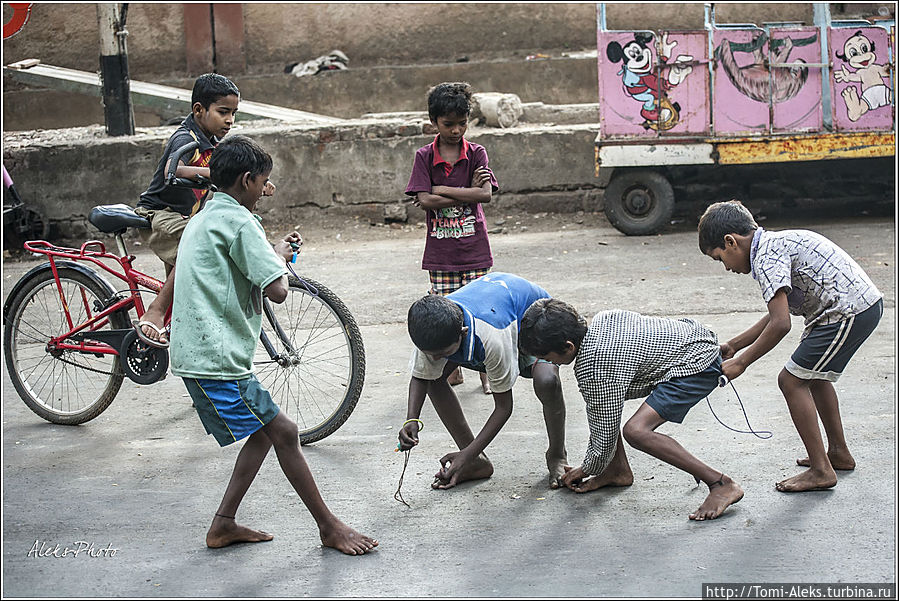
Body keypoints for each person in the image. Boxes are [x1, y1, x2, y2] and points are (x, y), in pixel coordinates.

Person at [169, 135, 377, 555]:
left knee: (266, 433)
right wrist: (278, 257)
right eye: (264, 182)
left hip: (203, 352)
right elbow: (279, 290)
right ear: (247, 180)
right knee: (284, 431)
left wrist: (271, 251)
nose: (265, 191)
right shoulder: (243, 222)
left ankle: (223, 524)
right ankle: (329, 526)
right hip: (216, 359)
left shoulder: (206, 214)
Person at [698, 200, 883, 493]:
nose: (726, 268)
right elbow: (775, 314)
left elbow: (781, 324)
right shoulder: (773, 245)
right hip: (852, 308)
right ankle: (837, 454)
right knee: (814, 378)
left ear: (730, 242)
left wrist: (742, 362)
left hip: (848, 311)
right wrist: (734, 345)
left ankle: (822, 471)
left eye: (720, 259)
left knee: (791, 380)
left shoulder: (766, 258)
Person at [519, 298, 744, 521]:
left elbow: (604, 438)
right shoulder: (603, 319)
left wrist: (586, 468)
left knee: (636, 431)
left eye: (548, 358)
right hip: (696, 341)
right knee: (604, 407)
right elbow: (603, 414)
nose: (551, 364)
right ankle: (617, 470)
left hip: (695, 366)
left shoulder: (594, 364)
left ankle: (720, 483)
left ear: (568, 347)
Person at [133, 73, 273, 347]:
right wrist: (216, 173)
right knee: (194, 242)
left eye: (233, 113)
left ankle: (178, 327)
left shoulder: (214, 143)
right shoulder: (185, 139)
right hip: (159, 215)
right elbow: (174, 170)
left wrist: (257, 181)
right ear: (199, 109)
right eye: (223, 112)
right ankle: (156, 311)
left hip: (186, 217)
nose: (230, 120)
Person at [397, 272, 568, 489]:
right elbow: (422, 375)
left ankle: (557, 455)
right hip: (494, 310)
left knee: (547, 381)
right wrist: (411, 419)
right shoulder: (430, 329)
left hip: (530, 321)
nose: (434, 358)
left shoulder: (492, 336)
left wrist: (465, 455)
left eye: (442, 353)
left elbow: (504, 407)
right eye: (429, 353)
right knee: (434, 378)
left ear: (463, 332)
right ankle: (476, 464)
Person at [405, 81, 497, 393]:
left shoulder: (477, 154)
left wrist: (440, 189)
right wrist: (464, 193)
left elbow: (484, 195)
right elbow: (424, 201)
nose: (456, 131)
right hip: (441, 257)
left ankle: (485, 373)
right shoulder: (424, 157)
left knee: (479, 313)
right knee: (446, 315)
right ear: (433, 122)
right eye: (448, 124)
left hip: (475, 251)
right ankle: (452, 368)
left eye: (462, 124)